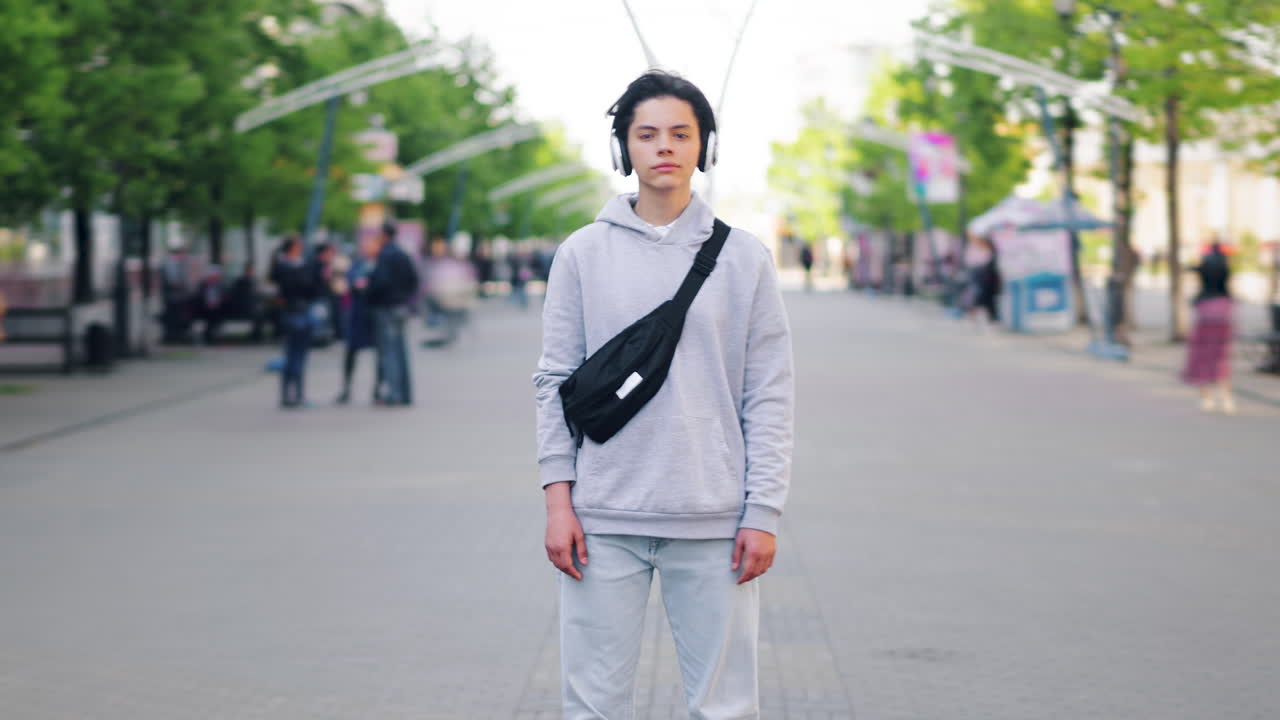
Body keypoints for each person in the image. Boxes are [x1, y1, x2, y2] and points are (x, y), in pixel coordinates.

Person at [532, 70, 794, 719]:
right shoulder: (582, 254)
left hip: (714, 521)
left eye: (681, 133)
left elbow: (768, 393)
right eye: (646, 134)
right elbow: (552, 382)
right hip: (603, 519)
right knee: (592, 705)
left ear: (704, 146)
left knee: (725, 706)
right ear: (625, 148)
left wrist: (764, 511)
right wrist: (557, 502)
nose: (664, 147)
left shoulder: (744, 260)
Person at [367, 220, 419, 406]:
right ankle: (405, 394)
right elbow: (414, 279)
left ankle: (394, 394)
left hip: (386, 307)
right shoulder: (403, 254)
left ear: (384, 234)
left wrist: (370, 291)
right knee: (401, 350)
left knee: (389, 352)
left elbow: (380, 282)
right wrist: (405, 297)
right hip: (401, 306)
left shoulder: (385, 255)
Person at [1183, 241, 1235, 413]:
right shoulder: (1225, 270)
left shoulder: (1204, 269)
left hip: (1205, 313)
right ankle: (1226, 398)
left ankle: (1207, 398)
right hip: (1222, 313)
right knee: (1220, 359)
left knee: (1202, 359)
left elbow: (1192, 270)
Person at [269, 236, 316, 408]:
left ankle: (291, 395)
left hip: (294, 312)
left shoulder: (284, 266)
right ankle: (294, 395)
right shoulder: (291, 267)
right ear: (293, 248)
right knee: (295, 356)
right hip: (296, 313)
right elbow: (308, 287)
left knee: (294, 355)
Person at [336, 233, 381, 404]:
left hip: (373, 313)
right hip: (357, 314)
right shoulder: (358, 264)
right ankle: (346, 389)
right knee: (351, 352)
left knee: (380, 354)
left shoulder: (380, 264)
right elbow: (353, 282)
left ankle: (377, 389)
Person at [963, 236, 1001, 330]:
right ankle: (975, 319)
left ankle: (991, 320)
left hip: (989, 281)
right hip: (981, 280)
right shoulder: (977, 251)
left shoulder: (990, 252)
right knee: (978, 299)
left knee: (988, 301)